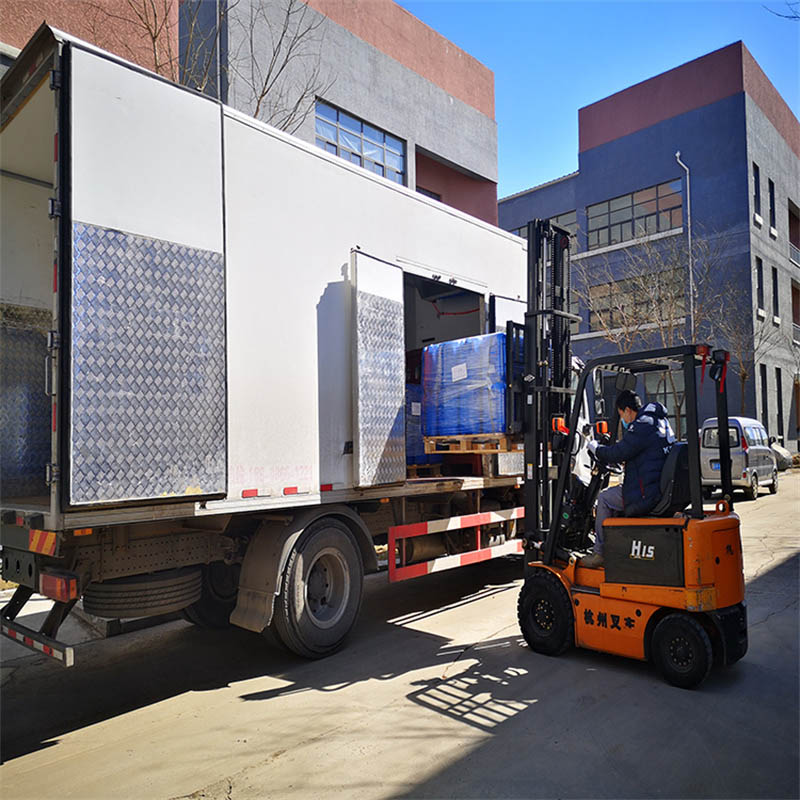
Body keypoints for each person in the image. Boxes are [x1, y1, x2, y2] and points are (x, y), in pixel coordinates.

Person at [581, 390, 676, 568]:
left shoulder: (642, 425)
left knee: (604, 499)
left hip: (646, 493)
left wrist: (596, 448)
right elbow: (644, 453)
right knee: (612, 496)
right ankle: (617, 547)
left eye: (621, 415)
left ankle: (599, 554)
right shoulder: (658, 421)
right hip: (656, 484)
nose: (622, 420)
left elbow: (618, 452)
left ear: (627, 410)